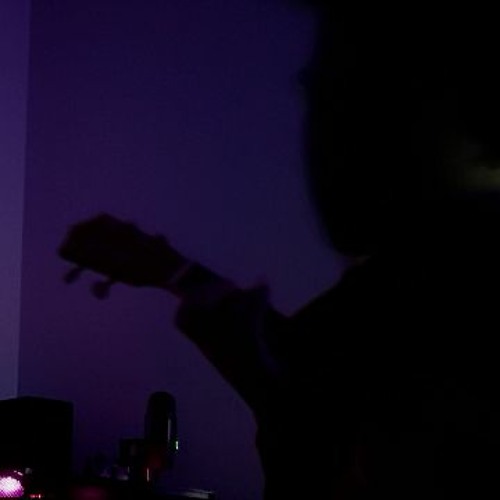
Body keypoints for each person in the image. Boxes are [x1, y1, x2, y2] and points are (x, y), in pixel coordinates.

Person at [60, 2, 500, 498]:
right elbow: (322, 368)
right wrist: (175, 272)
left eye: (373, 96)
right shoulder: (380, 297)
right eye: (320, 96)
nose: (326, 137)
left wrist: (278, 405)